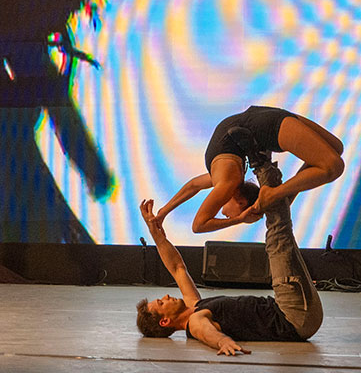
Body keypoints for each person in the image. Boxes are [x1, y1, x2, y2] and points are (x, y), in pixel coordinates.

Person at [134, 165, 324, 351]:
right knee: (278, 234)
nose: (166, 296)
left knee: (278, 216)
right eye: (161, 303)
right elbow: (206, 332)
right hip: (291, 316)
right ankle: (263, 164)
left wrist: (155, 233)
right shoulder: (195, 321)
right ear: (165, 321)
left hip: (297, 315)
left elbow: (177, 268)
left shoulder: (195, 306)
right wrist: (222, 342)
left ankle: (312, 165)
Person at [154, 105, 345, 234]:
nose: (224, 214)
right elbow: (193, 186)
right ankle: (283, 194)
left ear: (241, 202)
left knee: (334, 166)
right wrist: (163, 212)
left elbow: (199, 225)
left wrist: (240, 219)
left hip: (265, 125)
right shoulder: (226, 176)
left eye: (230, 214)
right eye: (228, 216)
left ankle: (274, 194)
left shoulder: (227, 182)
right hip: (262, 116)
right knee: (335, 148)